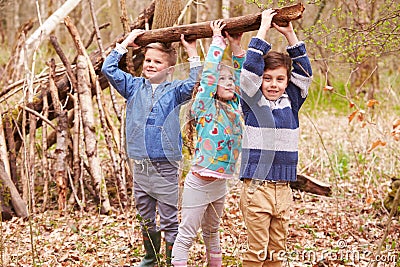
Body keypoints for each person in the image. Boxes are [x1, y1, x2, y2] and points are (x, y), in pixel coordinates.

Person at [101, 30, 201, 267]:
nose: (151, 65)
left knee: (168, 218)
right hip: (141, 166)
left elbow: (195, 81)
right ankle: (150, 258)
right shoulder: (133, 87)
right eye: (148, 60)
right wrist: (125, 43)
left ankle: (171, 260)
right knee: (145, 216)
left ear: (169, 69)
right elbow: (108, 69)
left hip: (165, 166)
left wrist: (191, 51)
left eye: (157, 62)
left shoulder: (175, 91)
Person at [239, 9, 313, 267]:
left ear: (286, 82)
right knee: (257, 250)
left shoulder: (291, 102)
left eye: (280, 79)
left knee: (276, 250)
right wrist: (263, 29)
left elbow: (304, 74)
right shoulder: (252, 102)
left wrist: (290, 33)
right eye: (267, 79)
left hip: (283, 188)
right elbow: (249, 71)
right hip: (256, 187)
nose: (273, 84)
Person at [171, 20, 245, 267]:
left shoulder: (235, 108)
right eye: (222, 79)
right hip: (199, 182)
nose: (228, 82)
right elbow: (209, 75)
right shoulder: (204, 106)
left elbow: (244, 78)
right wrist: (217, 42)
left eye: (230, 80)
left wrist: (236, 47)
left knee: (213, 234)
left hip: (219, 184)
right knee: (187, 235)